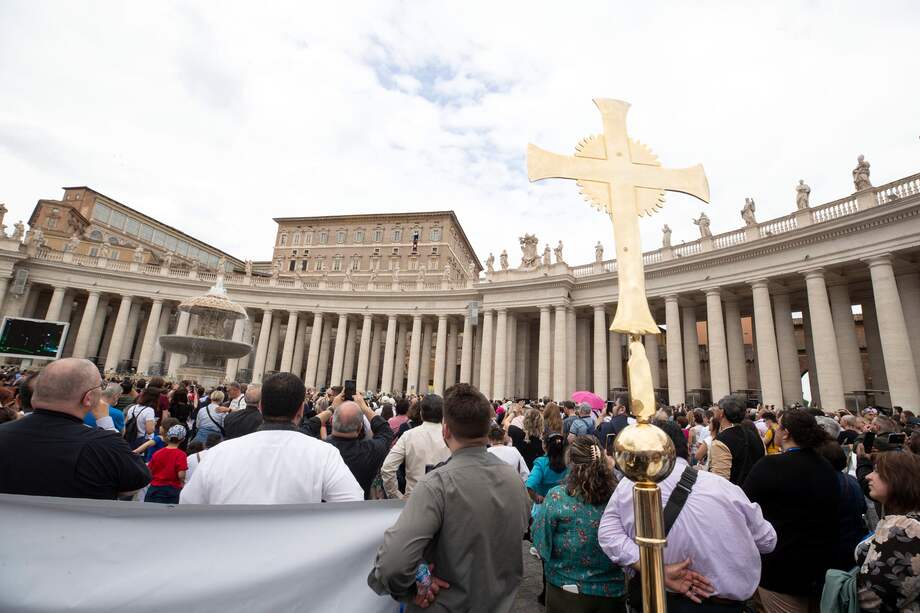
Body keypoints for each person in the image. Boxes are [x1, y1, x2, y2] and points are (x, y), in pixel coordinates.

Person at [368, 383, 531, 612]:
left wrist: (413, 589)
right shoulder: (515, 481)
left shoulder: (436, 484)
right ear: (488, 430)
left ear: (446, 430)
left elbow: (391, 565)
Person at [600, 420, 776, 612]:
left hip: (659, 599)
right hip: (722, 604)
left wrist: (655, 569)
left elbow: (608, 534)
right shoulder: (725, 489)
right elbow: (767, 541)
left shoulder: (629, 484)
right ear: (686, 449)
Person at [180, 372, 362, 504]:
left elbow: (188, 507)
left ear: (260, 406)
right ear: (300, 410)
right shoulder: (324, 454)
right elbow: (352, 505)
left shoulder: (218, 454)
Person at [0, 358, 150, 499]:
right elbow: (135, 482)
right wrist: (106, 423)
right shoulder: (103, 445)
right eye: (101, 387)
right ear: (88, 398)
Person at [743, 409, 840, 612]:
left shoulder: (770, 466)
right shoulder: (825, 466)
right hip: (819, 565)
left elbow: (745, 508)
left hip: (781, 566)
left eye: (779, 427)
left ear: (786, 433)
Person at [532, 435, 626, 612]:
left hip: (566, 590)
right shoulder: (620, 494)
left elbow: (540, 542)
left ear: (571, 462)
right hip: (612, 591)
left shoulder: (557, 497)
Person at [857, 450, 920, 612]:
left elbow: (873, 599)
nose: (869, 476)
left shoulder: (906, 528)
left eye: (877, 471)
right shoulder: (906, 518)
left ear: (899, 479)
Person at [380, 394, 451, 499]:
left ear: (421, 414)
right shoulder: (452, 437)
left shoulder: (408, 435)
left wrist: (395, 495)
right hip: (444, 500)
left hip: (414, 499)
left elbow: (387, 468)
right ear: (443, 415)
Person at [326, 395, 394, 499]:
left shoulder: (317, 449)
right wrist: (364, 407)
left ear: (332, 422)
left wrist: (331, 409)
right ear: (360, 428)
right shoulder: (370, 451)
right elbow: (386, 432)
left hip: (323, 511)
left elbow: (307, 427)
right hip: (358, 509)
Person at [817, 440, 868, 571]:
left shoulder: (823, 483)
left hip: (835, 547)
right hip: (853, 541)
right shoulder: (851, 480)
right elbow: (863, 508)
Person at [709, 396, 765, 485]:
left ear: (722, 412)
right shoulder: (753, 434)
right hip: (754, 490)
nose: (714, 410)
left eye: (717, 408)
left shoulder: (721, 441)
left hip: (734, 494)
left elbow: (720, 480)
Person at [144, 424, 189, 504]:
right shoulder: (181, 454)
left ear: (168, 437)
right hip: (171, 490)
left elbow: (149, 471)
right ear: (182, 439)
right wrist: (183, 483)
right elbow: (181, 475)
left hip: (154, 489)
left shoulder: (157, 453)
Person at [526, 433, 569, 514]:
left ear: (544, 445)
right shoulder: (568, 462)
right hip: (565, 506)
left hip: (544, 508)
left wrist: (537, 498)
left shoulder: (541, 463)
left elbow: (529, 486)